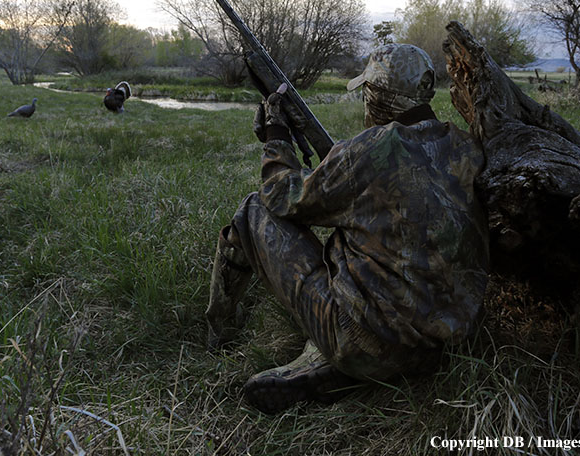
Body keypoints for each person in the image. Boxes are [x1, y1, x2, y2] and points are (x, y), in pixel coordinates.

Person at [206, 43, 489, 414]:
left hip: (366, 341)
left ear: (378, 96)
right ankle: (329, 368)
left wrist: (276, 138)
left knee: (253, 209)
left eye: (367, 93)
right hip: (452, 346)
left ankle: (218, 332)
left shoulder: (369, 150)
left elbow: (279, 195)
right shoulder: (465, 146)